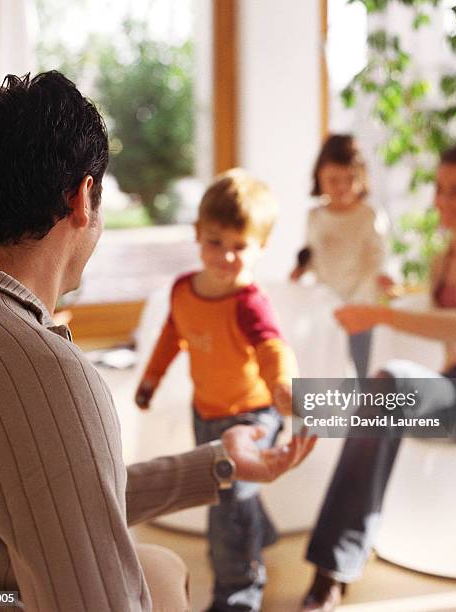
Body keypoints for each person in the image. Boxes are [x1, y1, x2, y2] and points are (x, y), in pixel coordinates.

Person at [0, 71, 316, 612]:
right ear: (82, 198)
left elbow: (57, 489)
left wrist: (216, 465)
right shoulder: (42, 374)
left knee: (161, 564)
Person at [300, 144, 456, 612]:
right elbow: (442, 324)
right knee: (388, 381)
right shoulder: (443, 257)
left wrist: (378, 315)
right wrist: (394, 296)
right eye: (439, 190)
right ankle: (332, 570)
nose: (443, 201)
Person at [135, 168, 299, 612]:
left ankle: (238, 593)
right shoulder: (183, 291)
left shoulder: (249, 303)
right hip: (205, 411)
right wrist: (151, 379)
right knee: (228, 493)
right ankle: (260, 531)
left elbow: (272, 348)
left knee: (226, 503)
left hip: (252, 416)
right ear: (197, 234)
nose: (226, 257)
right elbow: (173, 337)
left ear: (261, 247)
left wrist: (282, 387)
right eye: (215, 242)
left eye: (239, 247)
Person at [289, 134, 392, 379]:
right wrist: (300, 270)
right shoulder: (315, 217)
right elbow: (312, 254)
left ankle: (364, 414)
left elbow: (378, 258)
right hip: (325, 307)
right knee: (325, 367)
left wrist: (382, 280)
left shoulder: (369, 215)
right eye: (333, 180)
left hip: (360, 304)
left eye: (349, 179)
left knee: (362, 369)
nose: (342, 187)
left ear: (361, 178)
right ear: (319, 178)